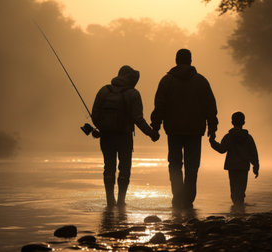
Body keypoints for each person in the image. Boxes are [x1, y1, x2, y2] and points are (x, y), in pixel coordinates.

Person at [151, 49, 218, 209]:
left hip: (173, 130)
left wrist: (155, 127)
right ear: (190, 60)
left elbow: (159, 106)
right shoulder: (201, 81)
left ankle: (177, 197)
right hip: (195, 131)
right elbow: (211, 106)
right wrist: (212, 128)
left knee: (174, 164)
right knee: (192, 166)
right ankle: (188, 200)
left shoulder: (166, 81)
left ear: (176, 60)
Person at [92, 65, 159, 207]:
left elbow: (95, 114)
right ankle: (121, 202)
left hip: (106, 136)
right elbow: (138, 119)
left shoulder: (104, 91)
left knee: (108, 168)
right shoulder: (133, 93)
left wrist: (101, 128)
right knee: (125, 169)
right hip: (124, 137)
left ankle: (110, 201)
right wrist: (151, 133)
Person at [209, 112, 259, 209]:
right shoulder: (248, 138)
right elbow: (253, 154)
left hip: (232, 167)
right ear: (243, 122)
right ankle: (241, 209)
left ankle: (236, 209)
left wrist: (212, 142)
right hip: (243, 167)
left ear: (232, 122)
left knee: (234, 189)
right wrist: (256, 166)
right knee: (241, 189)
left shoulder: (229, 137)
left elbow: (221, 149)